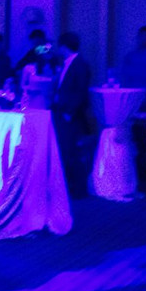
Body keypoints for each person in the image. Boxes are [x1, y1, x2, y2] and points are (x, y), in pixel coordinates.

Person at [52, 32, 92, 197]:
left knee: (71, 151)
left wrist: (70, 112)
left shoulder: (80, 64)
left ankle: (78, 189)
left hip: (70, 114)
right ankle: (70, 187)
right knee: (65, 150)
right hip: (62, 111)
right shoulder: (68, 63)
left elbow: (81, 91)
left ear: (64, 46)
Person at [121, 25, 146, 108]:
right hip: (131, 93)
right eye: (142, 35)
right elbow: (125, 76)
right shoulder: (130, 56)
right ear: (138, 36)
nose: (144, 39)